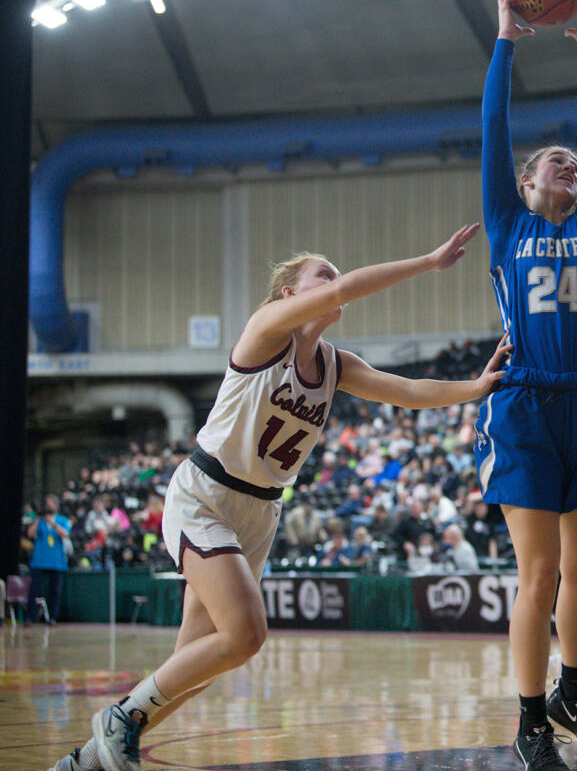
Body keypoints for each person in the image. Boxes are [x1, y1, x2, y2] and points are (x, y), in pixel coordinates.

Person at [49, 226, 510, 771]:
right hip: (207, 495)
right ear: (289, 294)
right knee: (244, 636)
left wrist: (473, 390)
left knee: (193, 669)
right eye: (324, 274)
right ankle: (121, 719)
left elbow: (407, 391)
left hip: (261, 511)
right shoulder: (267, 331)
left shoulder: (336, 365)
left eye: (336, 276)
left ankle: (83, 763)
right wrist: (429, 262)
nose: (334, 284)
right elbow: (346, 292)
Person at [478, 0, 577, 771]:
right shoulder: (507, 225)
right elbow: (491, 125)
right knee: (537, 574)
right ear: (527, 183)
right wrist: (505, 37)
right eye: (551, 161)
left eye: (574, 161)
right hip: (528, 407)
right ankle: (531, 720)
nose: (568, 161)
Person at [26, 495, 71, 625]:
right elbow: (30, 533)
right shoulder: (39, 521)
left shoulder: (61, 520)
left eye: (50, 504)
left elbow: (65, 534)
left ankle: (52, 617)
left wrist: (51, 523)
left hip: (56, 561)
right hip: (40, 560)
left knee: (55, 591)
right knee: (34, 589)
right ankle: (30, 617)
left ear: (56, 506)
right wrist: (39, 518)